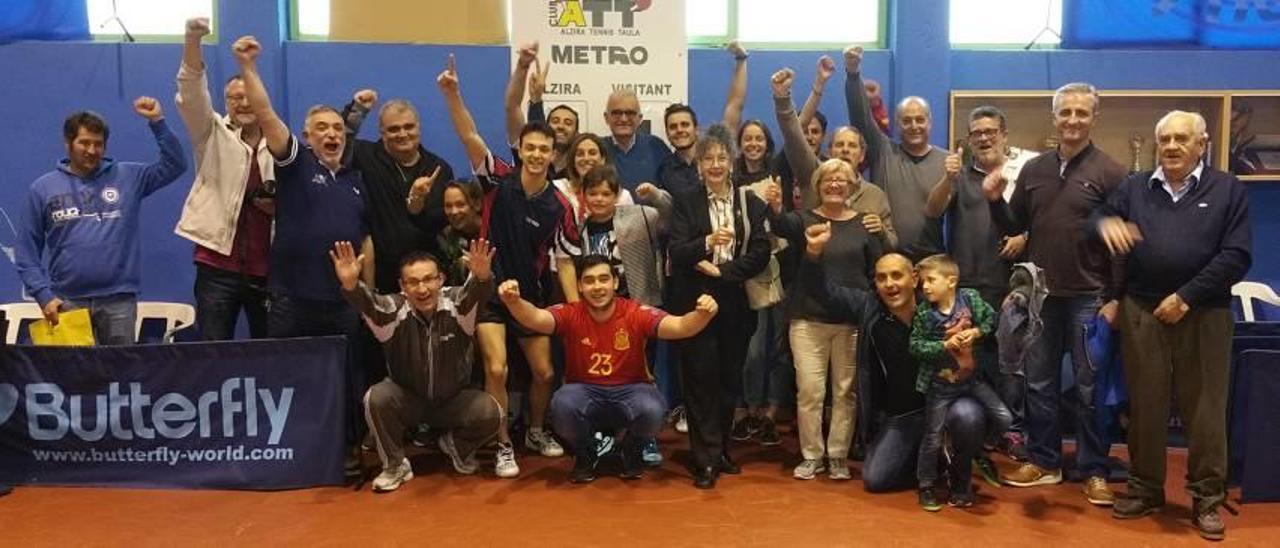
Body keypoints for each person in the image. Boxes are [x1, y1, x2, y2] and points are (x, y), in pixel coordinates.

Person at [1094, 110, 1251, 541]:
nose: (1173, 147)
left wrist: (1186, 297)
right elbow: (1099, 220)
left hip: (1205, 312)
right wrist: (1105, 223)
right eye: (1165, 139)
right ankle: (1146, 489)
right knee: (1145, 406)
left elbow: (1236, 255)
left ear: (1202, 144)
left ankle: (1206, 498)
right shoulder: (1134, 187)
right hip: (1141, 309)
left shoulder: (1227, 190)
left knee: (1205, 411)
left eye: (1183, 139)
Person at [234, 36, 374, 477]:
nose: (331, 134)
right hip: (293, 298)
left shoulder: (355, 180)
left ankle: (349, 451)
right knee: (288, 377)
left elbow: (365, 237)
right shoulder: (295, 164)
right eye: (322, 129)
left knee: (348, 379)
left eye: (337, 128)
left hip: (344, 300)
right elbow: (267, 116)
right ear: (307, 137)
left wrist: (364, 282)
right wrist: (249, 68)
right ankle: (290, 453)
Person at [436, 54, 579, 477]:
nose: (536, 154)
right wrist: (452, 94)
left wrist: (574, 312)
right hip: (489, 292)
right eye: (530, 147)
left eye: (544, 149)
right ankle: (502, 446)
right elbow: (469, 134)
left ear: (554, 155)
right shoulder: (497, 178)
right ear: (521, 149)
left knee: (544, 370)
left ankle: (535, 429)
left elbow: (567, 262)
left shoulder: (561, 206)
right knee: (495, 368)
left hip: (529, 298)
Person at [985, 82, 1127, 506]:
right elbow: (1015, 226)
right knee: (1041, 384)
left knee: (1089, 388)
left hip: (1090, 297)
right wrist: (994, 200)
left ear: (1093, 119)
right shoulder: (1034, 170)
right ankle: (1045, 462)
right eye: (1065, 112)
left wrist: (1116, 297)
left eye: (1081, 113)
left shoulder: (1112, 172)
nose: (1072, 120)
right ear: (1055, 117)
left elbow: (1122, 243)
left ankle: (1094, 468)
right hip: (1042, 297)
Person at [799, 231, 990, 495]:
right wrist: (813, 253)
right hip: (904, 416)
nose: (890, 284)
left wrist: (973, 336)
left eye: (897, 275)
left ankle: (959, 468)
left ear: (914, 278)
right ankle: (934, 464)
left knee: (968, 417)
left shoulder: (944, 305)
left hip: (948, 403)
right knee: (875, 479)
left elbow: (991, 328)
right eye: (881, 278)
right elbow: (823, 292)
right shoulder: (869, 309)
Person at [500, 255, 719, 483]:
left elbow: (681, 326)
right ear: (580, 286)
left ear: (615, 283)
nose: (597, 287)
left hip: (632, 391)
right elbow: (535, 317)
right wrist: (514, 302)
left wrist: (702, 315)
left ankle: (631, 448)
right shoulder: (571, 313)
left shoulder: (635, 312)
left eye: (604, 279)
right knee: (561, 406)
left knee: (654, 410)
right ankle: (586, 453)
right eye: (589, 280)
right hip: (584, 392)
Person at [332, 239, 502, 492]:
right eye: (413, 282)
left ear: (441, 279)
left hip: (452, 400)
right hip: (408, 400)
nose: (422, 289)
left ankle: (455, 445)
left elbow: (477, 292)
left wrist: (482, 276)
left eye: (429, 279)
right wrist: (351, 285)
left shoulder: (458, 305)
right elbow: (371, 305)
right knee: (375, 398)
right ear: (402, 286)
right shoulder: (393, 311)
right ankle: (395, 464)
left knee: (492, 412)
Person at [15, 101, 187, 345]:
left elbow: (176, 165)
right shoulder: (43, 189)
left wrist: (157, 122)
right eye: (84, 143)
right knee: (72, 377)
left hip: (118, 301)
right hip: (67, 302)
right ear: (68, 144)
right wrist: (43, 295)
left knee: (120, 376)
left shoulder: (129, 177)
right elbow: (26, 251)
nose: (92, 150)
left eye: (98, 144)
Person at [923, 105, 1035, 461]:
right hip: (966, 288)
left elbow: (1041, 218)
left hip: (1009, 287)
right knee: (967, 362)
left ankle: (1008, 435)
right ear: (969, 139)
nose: (983, 138)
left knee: (1008, 366)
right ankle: (972, 433)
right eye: (976, 134)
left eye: (990, 131)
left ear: (1004, 134)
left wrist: (1026, 236)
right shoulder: (961, 176)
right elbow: (933, 209)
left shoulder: (1024, 174)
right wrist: (948, 179)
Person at [762, 159, 883, 480]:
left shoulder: (866, 225)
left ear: (853, 186)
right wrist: (775, 206)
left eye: (842, 179)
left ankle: (839, 455)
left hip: (851, 322)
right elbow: (778, 224)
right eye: (828, 178)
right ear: (817, 185)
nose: (834, 184)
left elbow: (877, 271)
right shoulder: (804, 220)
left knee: (845, 393)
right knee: (810, 391)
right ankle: (812, 455)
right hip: (807, 320)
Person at [668, 124, 770, 489]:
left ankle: (721, 448)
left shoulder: (750, 202)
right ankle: (704, 458)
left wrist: (723, 271)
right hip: (695, 300)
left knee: (729, 379)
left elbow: (761, 252)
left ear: (732, 162)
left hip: (736, 300)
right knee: (700, 379)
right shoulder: (685, 201)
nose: (715, 164)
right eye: (708, 158)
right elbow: (676, 251)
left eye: (721, 158)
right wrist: (706, 242)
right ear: (698, 164)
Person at [174, 17, 274, 340]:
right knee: (213, 356)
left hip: (269, 267)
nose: (244, 103)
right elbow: (190, 91)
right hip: (217, 266)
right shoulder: (210, 132)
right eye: (234, 98)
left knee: (274, 355)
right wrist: (193, 39)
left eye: (249, 97)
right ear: (225, 102)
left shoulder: (280, 143)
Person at [908, 254, 1011, 510]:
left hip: (971, 381)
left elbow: (992, 319)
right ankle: (926, 485)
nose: (925, 287)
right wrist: (944, 345)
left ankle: (979, 449)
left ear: (951, 281)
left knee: (1004, 418)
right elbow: (915, 346)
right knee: (932, 437)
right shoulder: (923, 313)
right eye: (923, 282)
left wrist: (976, 332)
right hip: (940, 387)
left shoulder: (970, 300)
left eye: (931, 280)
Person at [339, 91, 455, 294]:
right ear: (382, 133)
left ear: (418, 127)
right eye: (393, 129)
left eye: (409, 127)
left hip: (425, 281)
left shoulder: (439, 168)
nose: (402, 134)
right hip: (378, 278)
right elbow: (337, 143)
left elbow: (438, 224)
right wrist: (357, 110)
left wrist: (417, 201)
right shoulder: (364, 156)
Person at [771, 67, 897, 250]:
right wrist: (783, 99)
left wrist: (882, 232)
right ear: (829, 152)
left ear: (862, 155)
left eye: (852, 146)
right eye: (839, 145)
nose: (845, 150)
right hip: (812, 267)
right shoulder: (812, 175)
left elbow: (893, 243)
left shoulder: (875, 195)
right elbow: (793, 136)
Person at [842, 45, 945, 256]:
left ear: (930, 122)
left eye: (920, 119)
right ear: (897, 125)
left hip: (931, 262)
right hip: (885, 257)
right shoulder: (883, 151)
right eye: (906, 121)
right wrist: (853, 74)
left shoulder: (947, 162)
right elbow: (861, 116)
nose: (914, 126)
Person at [656, 42, 749, 196]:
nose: (679, 130)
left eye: (685, 124)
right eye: (673, 127)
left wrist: (741, 59)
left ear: (696, 128)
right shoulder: (665, 169)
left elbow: (735, 104)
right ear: (667, 133)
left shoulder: (717, 149)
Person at [506, 42, 578, 180]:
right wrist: (523, 66)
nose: (561, 126)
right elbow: (512, 107)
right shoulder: (528, 155)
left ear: (576, 133)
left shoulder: (580, 169)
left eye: (568, 123)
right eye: (555, 121)